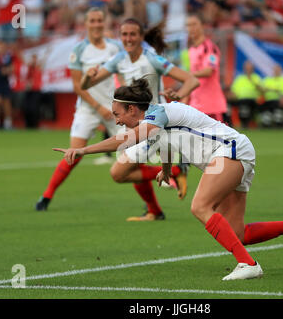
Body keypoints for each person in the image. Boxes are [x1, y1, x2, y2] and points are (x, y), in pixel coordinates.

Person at [54, 78, 283, 280]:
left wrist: (84, 149)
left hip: (228, 151)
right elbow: (167, 143)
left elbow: (127, 139)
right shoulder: (154, 121)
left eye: (118, 114)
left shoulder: (156, 115)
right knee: (238, 233)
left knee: (200, 207)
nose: (117, 120)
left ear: (132, 109)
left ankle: (249, 265)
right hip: (232, 153)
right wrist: (167, 170)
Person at [81, 17, 200, 221]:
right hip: (133, 125)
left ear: (141, 36)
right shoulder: (119, 59)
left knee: (118, 173)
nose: (128, 38)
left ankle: (176, 170)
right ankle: (154, 210)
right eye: (124, 34)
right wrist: (87, 75)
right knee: (131, 167)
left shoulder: (152, 59)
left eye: (132, 34)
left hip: (153, 125)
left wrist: (180, 94)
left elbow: (191, 79)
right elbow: (85, 86)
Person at [35, 8, 123, 211]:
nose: (97, 24)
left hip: (114, 109)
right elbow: (77, 85)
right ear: (86, 24)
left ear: (104, 22)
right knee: (74, 153)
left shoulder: (115, 47)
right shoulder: (79, 50)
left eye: (100, 20)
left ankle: (152, 207)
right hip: (89, 108)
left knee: (130, 158)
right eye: (93, 20)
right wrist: (98, 107)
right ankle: (46, 196)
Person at [184, 13, 227, 122]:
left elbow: (208, 71)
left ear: (202, 26)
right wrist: (185, 98)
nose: (191, 28)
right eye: (188, 25)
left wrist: (186, 75)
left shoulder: (210, 48)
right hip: (196, 104)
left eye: (194, 24)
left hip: (211, 105)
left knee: (217, 138)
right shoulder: (191, 50)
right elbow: (192, 77)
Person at [229, 61, 263, 128]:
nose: (248, 70)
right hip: (241, 100)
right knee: (239, 104)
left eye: (250, 68)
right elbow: (233, 91)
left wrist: (252, 81)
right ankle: (242, 123)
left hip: (253, 100)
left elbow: (262, 90)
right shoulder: (239, 78)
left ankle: (249, 123)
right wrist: (233, 96)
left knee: (247, 104)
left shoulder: (256, 78)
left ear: (253, 69)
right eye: (247, 68)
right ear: (244, 69)